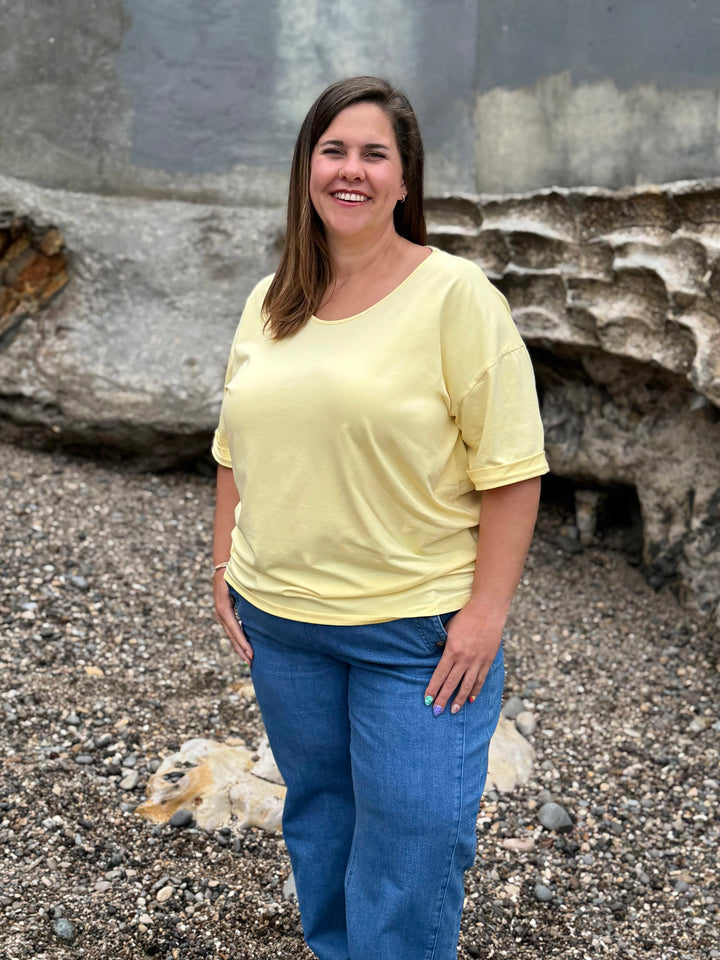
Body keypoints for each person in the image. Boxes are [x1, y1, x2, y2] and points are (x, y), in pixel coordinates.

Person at [211, 76, 548, 960]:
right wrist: (223, 566)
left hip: (415, 635)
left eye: (374, 154)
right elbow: (233, 445)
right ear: (307, 168)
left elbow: (513, 469)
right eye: (334, 151)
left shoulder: (455, 296)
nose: (350, 170)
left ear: (404, 179)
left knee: (414, 843)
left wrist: (486, 614)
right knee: (322, 823)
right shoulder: (270, 300)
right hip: (283, 624)